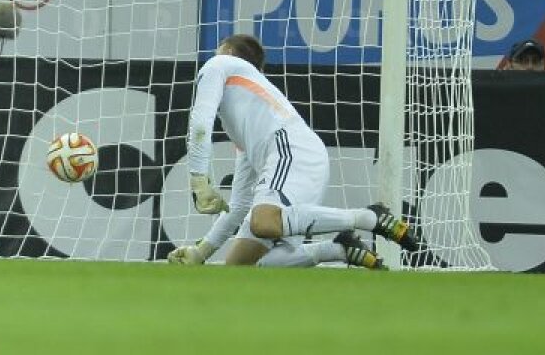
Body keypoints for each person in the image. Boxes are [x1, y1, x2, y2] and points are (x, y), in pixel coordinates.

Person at [168, 34, 421, 269]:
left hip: (291, 149)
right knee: (239, 265)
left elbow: (200, 120)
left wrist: (198, 177)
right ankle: (338, 249)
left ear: (228, 52)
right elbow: (240, 204)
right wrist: (201, 252)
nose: (215, 55)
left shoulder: (219, 64)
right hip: (304, 156)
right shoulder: (249, 125)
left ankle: (369, 218)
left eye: (219, 51)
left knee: (264, 221)